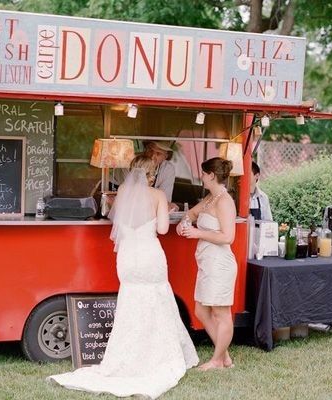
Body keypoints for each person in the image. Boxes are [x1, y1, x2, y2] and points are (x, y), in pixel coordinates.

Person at [48, 154, 198, 399]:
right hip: (150, 256)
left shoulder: (122, 194)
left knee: (131, 302)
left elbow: (111, 219)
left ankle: (129, 355)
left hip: (128, 258)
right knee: (157, 300)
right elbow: (161, 229)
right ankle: (158, 355)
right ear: (152, 175)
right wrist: (167, 209)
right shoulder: (158, 195)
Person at [177, 157, 237, 371]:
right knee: (201, 311)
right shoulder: (210, 198)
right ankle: (224, 356)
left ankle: (217, 360)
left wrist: (197, 232)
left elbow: (228, 237)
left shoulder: (224, 201)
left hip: (220, 264)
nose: (200, 177)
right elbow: (191, 213)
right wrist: (184, 224)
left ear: (211, 175)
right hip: (207, 263)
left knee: (221, 313)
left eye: (203, 173)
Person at [112, 141, 178, 211]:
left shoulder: (167, 168)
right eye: (150, 151)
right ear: (145, 150)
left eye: (158, 153)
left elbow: (165, 199)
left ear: (165, 157)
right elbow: (132, 195)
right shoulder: (132, 162)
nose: (152, 156)